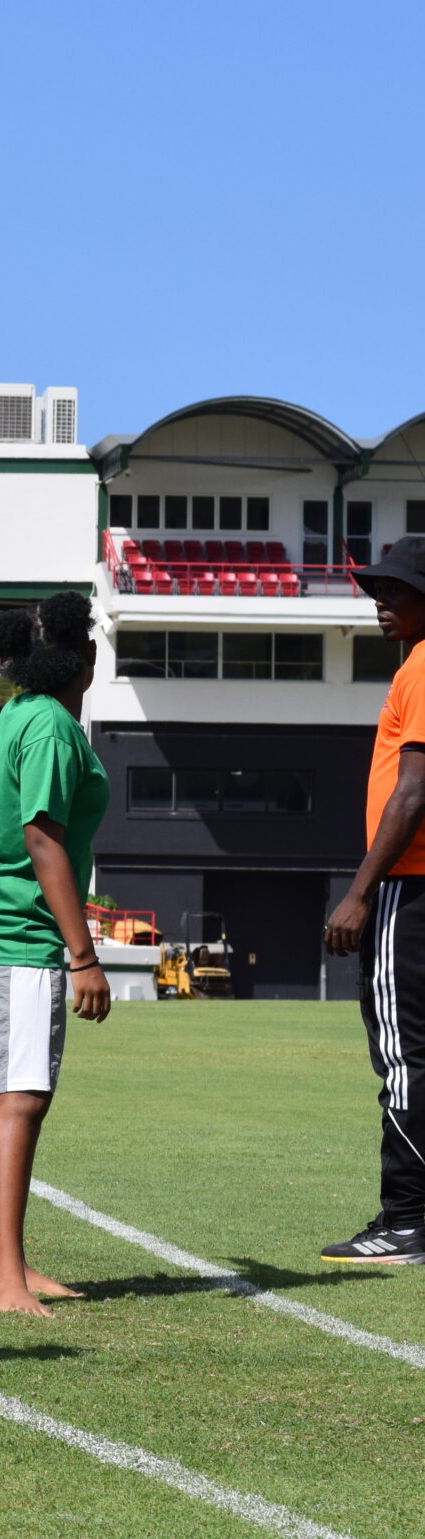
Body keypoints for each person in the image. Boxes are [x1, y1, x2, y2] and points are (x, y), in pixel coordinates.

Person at [0, 592, 110, 1316]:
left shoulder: (24, 710)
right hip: (19, 927)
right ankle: (5, 1280)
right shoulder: (49, 724)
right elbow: (44, 839)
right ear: (86, 657)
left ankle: (5, 1267)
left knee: (8, 1091)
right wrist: (83, 954)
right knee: (23, 1095)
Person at [320, 536, 425, 1264]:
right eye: (374, 587)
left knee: (405, 1055)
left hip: (408, 887)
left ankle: (407, 1220)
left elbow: (414, 787)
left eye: (394, 588)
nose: (378, 600)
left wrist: (361, 890)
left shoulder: (422, 666)